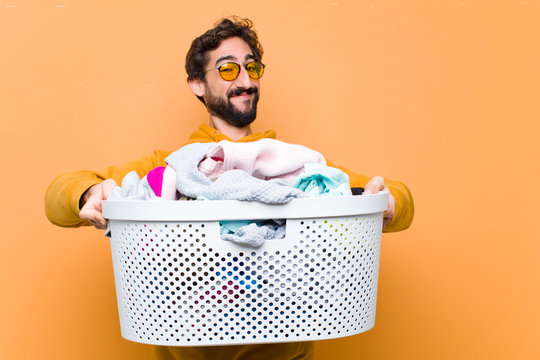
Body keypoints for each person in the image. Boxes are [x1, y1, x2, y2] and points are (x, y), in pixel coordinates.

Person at [45, 16, 414, 360]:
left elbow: (397, 199)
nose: (245, 81)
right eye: (227, 68)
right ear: (198, 84)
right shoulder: (172, 165)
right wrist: (90, 195)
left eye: (252, 67)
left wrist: (388, 201)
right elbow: (58, 196)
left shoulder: (293, 166)